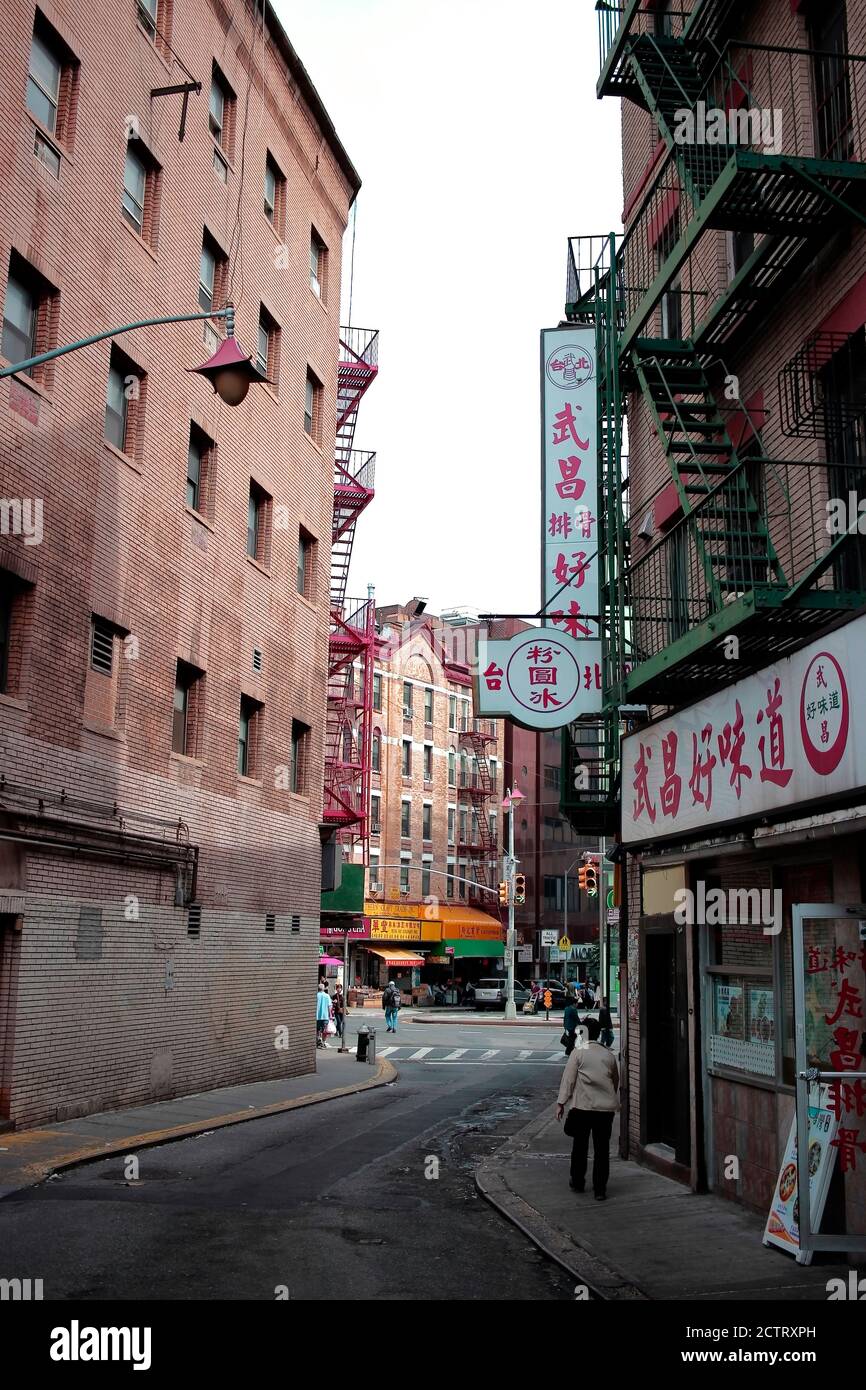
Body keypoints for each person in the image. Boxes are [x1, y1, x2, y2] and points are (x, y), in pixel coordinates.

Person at [556, 1015, 619, 1200]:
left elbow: (568, 1080)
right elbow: (614, 1081)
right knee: (602, 1150)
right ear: (599, 1034)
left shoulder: (579, 1052)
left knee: (580, 1146)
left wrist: (561, 1103)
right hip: (605, 1110)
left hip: (583, 1108)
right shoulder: (608, 1054)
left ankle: (577, 1181)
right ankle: (600, 1189)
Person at [316, 981, 332, 1049]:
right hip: (325, 1016)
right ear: (324, 989)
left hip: (317, 1016)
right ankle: (323, 1042)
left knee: (317, 1029)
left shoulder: (316, 995)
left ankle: (318, 1039)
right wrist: (330, 1015)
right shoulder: (327, 996)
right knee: (324, 1031)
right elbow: (329, 1006)